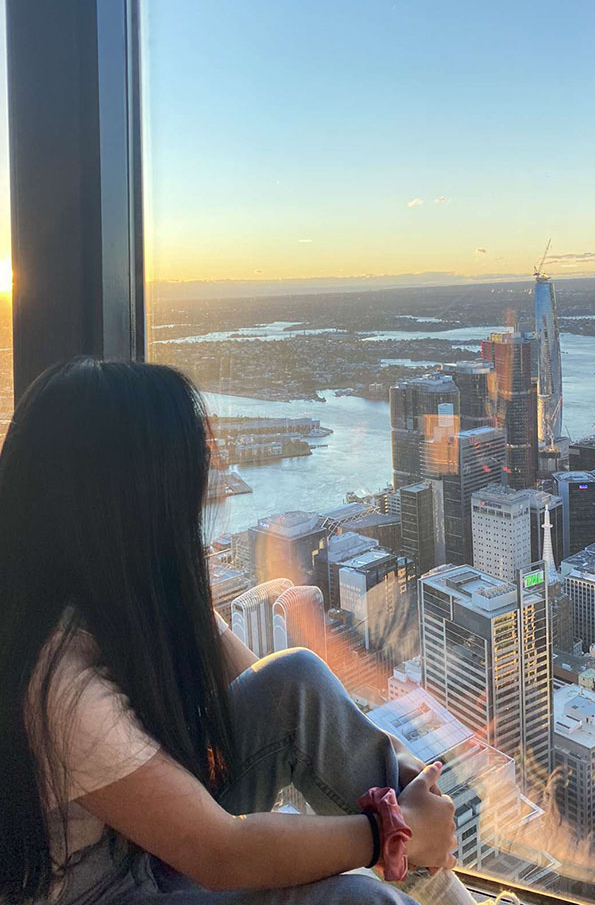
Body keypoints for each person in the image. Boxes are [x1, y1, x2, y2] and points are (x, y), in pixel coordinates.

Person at [0, 358, 458, 905]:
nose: (198, 498)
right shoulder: (59, 679)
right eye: (183, 479)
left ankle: (444, 891)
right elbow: (220, 853)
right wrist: (390, 831)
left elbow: (271, 691)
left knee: (297, 676)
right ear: (126, 504)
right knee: (357, 902)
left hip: (146, 846)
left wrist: (408, 786)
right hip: (101, 889)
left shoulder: (135, 594)